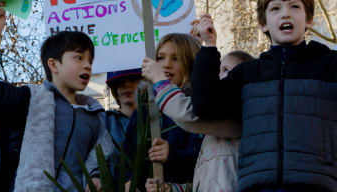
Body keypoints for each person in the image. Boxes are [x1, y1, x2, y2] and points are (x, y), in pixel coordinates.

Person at [191, 0, 337, 192]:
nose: (285, 14)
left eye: (295, 7)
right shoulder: (249, 73)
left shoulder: (328, 65)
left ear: (309, 20)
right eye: (275, 8)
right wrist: (209, 47)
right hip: (259, 186)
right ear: (263, 24)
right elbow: (205, 105)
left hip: (314, 185)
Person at [0, 2, 112, 192]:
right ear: (53, 65)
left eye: (90, 61)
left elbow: (104, 160)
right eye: (79, 58)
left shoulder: (96, 119)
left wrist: (96, 177)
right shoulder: (28, 99)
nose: (88, 65)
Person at [143, 50, 253, 192]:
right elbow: (208, 181)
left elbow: (189, 115)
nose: (218, 75)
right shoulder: (213, 136)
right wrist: (173, 189)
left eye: (226, 70)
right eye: (218, 70)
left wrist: (159, 79)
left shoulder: (237, 116)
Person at [125, 33, 203, 191]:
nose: (166, 65)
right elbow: (128, 156)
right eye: (160, 58)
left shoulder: (197, 106)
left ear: (191, 62)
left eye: (176, 58)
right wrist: (129, 182)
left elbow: (205, 159)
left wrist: (173, 155)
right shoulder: (143, 110)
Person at [101, 69, 142, 185]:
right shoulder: (105, 121)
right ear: (114, 89)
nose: (126, 85)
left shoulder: (156, 120)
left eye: (133, 80)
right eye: (120, 81)